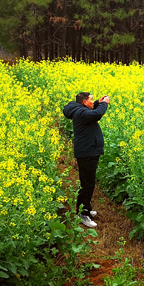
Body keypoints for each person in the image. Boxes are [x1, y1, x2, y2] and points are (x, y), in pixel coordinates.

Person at [63, 92, 110, 228]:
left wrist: (97, 103)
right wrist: (103, 103)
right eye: (91, 100)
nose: (92, 101)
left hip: (89, 151)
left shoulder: (80, 110)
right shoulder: (81, 113)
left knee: (88, 182)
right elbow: (96, 114)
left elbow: (91, 110)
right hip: (87, 153)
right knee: (87, 184)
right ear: (84, 102)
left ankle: (86, 208)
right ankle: (83, 214)